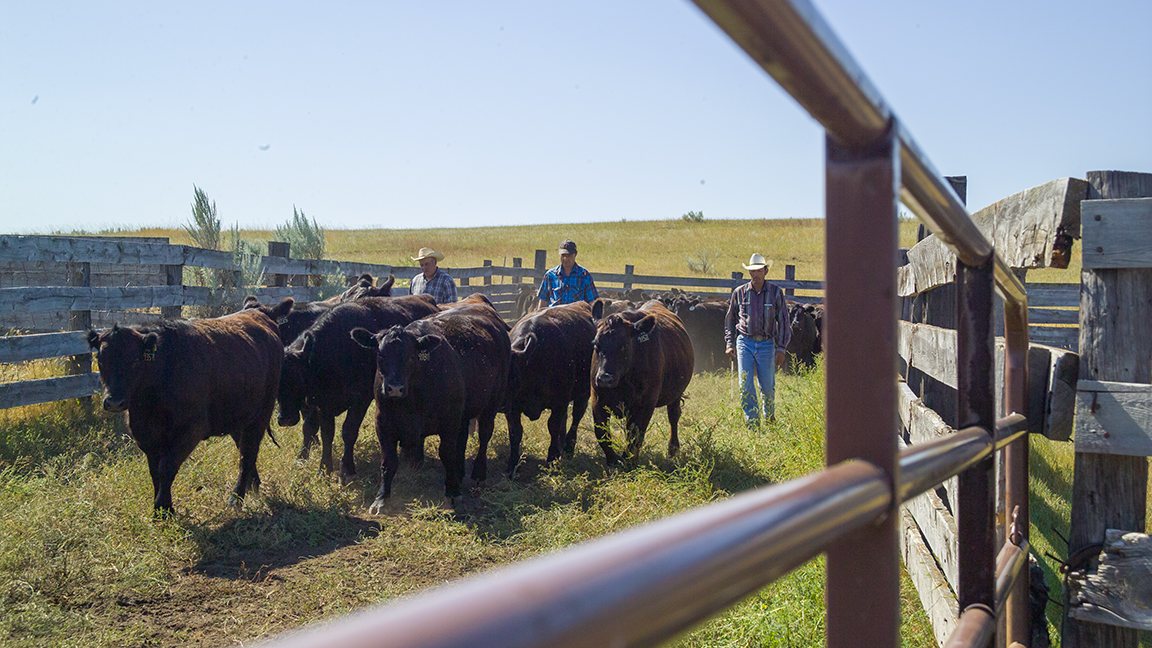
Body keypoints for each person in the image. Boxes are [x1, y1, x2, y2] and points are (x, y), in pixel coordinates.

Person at [724, 253, 790, 426]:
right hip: (744, 341)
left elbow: (783, 321)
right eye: (752, 271)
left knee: (767, 387)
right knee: (745, 384)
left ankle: (769, 417)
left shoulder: (776, 293)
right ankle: (752, 423)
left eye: (759, 270)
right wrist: (730, 343)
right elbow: (730, 319)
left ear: (766, 271)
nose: (755, 274)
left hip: (767, 343)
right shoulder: (740, 293)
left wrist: (781, 347)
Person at [537, 239, 598, 309]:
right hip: (554, 317)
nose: (565, 259)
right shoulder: (550, 275)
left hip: (576, 317)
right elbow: (543, 302)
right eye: (563, 255)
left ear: (575, 254)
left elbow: (592, 302)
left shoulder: (584, 276)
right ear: (559, 254)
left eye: (568, 255)